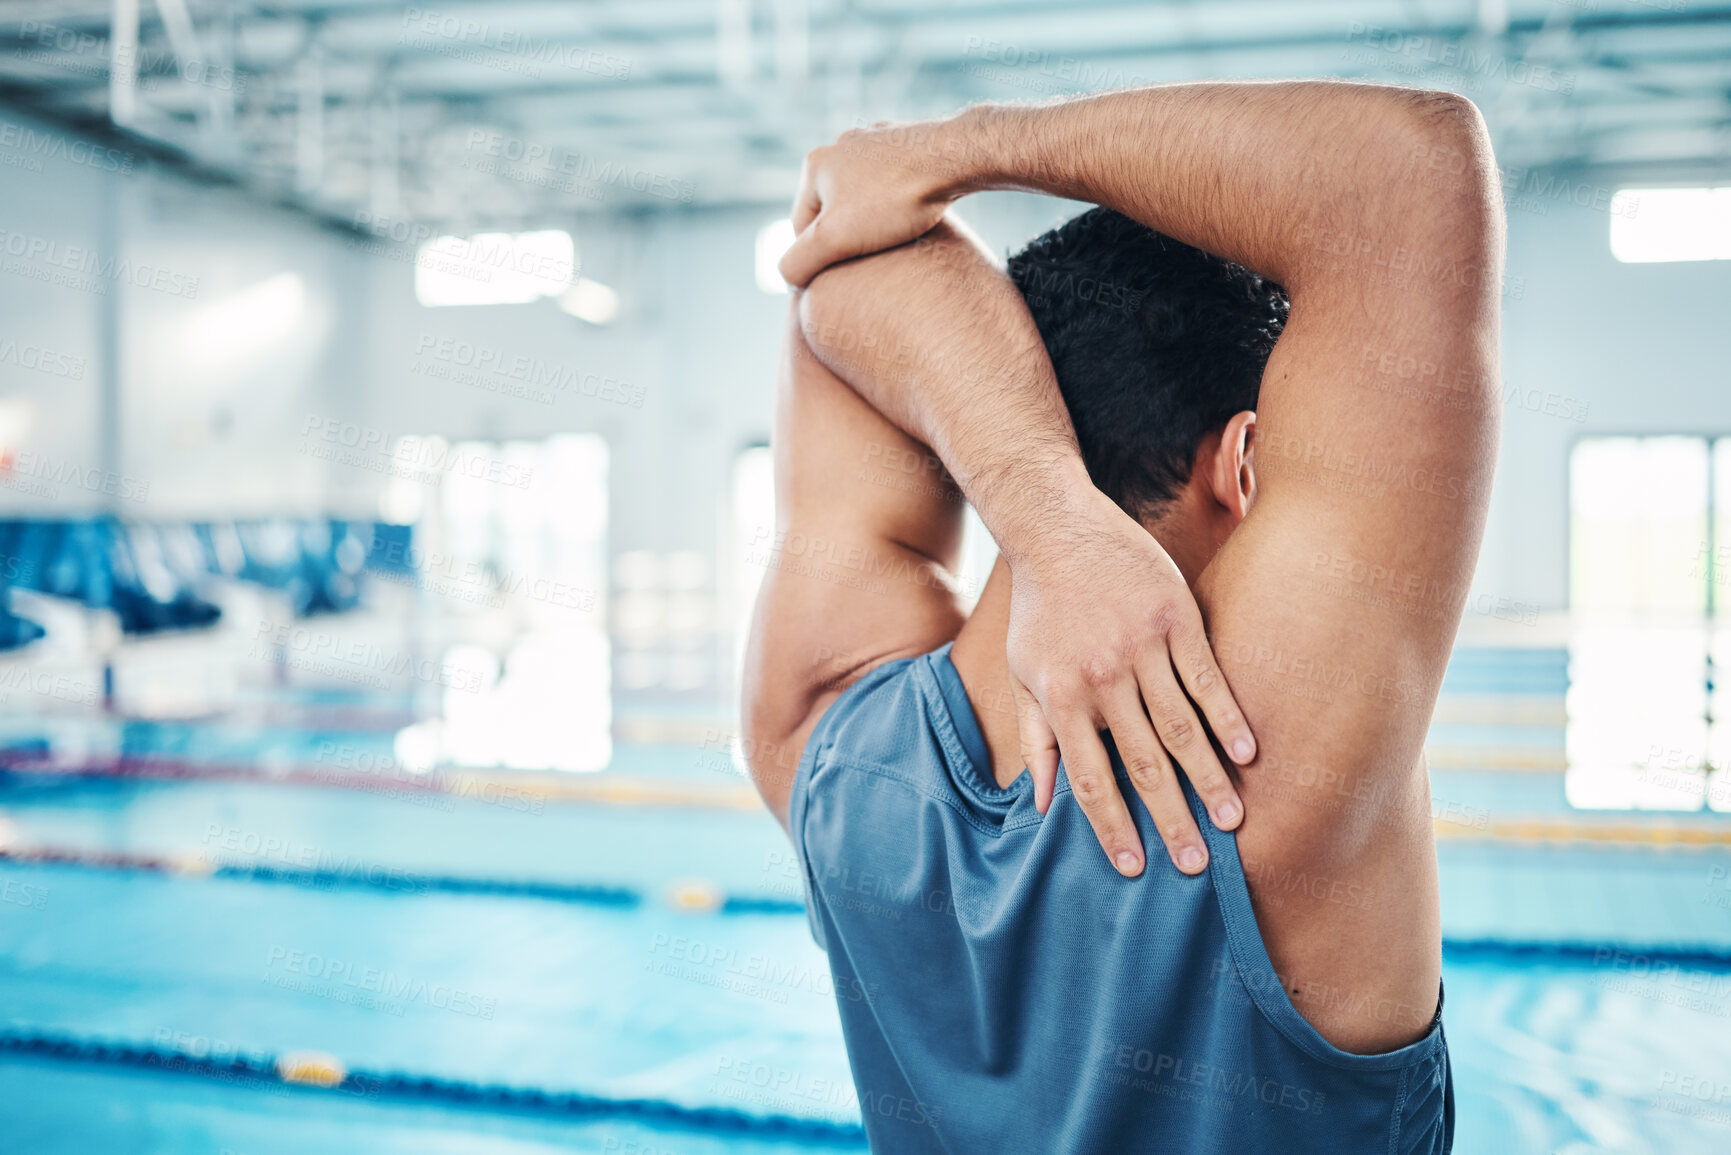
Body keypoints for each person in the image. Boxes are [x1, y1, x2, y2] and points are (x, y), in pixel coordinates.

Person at [742, 80, 1501, 1152]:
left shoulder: (826, 746)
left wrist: (1042, 510)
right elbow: (1411, 170)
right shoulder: (1280, 767)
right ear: (1247, 461)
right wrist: (969, 146)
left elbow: (836, 270)